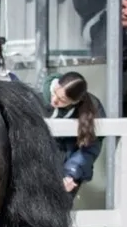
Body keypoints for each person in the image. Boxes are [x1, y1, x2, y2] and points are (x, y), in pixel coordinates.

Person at [43, 71, 104, 204]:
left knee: (59, 212)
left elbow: (90, 147)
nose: (55, 100)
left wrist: (71, 172)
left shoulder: (92, 107)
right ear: (56, 84)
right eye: (55, 92)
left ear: (75, 102)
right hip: (38, 169)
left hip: (68, 171)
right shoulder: (35, 97)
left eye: (62, 100)